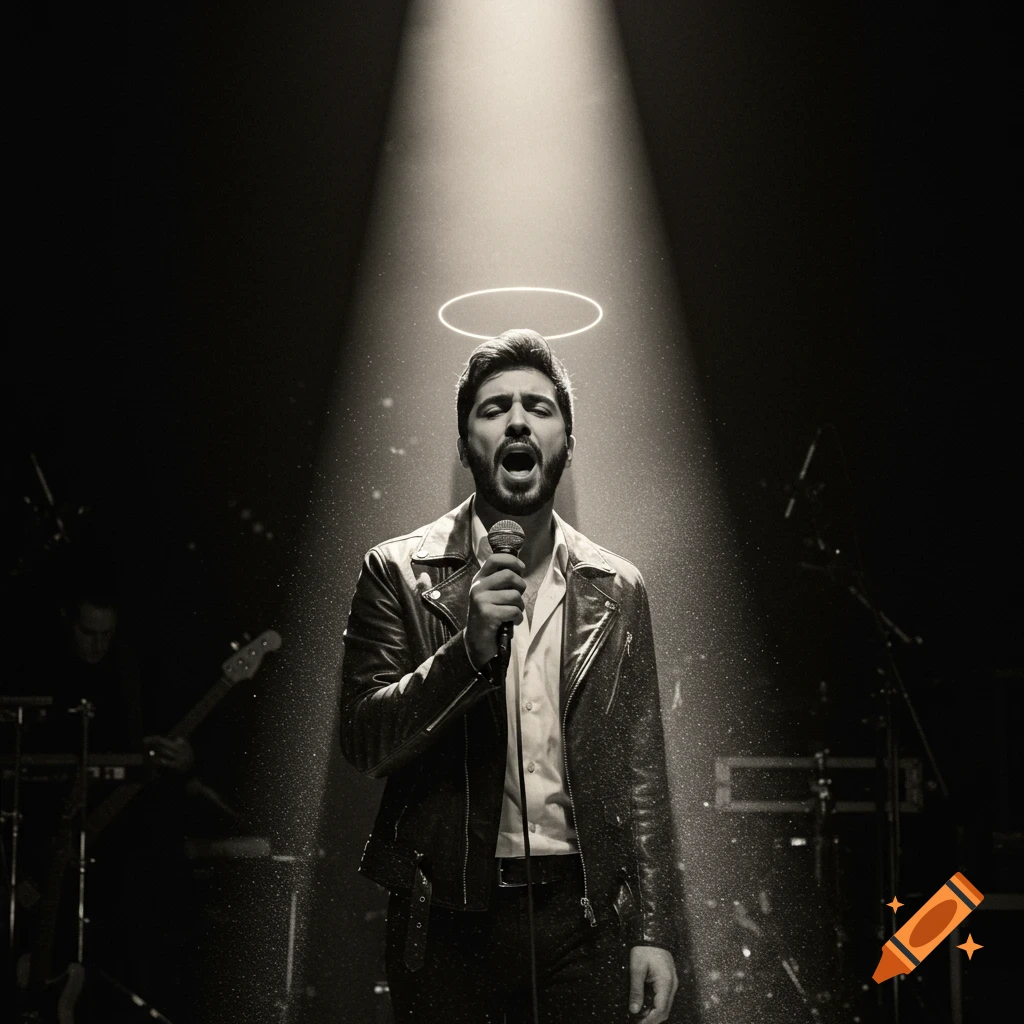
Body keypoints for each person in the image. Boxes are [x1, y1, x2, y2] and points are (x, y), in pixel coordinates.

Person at [339, 330, 681, 1022]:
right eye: (493, 409)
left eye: (539, 406)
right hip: (444, 921)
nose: (518, 420)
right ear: (466, 443)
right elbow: (365, 742)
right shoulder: (396, 573)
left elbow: (643, 770)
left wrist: (653, 929)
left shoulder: (618, 590)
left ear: (567, 442)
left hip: (579, 918)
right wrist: (463, 653)